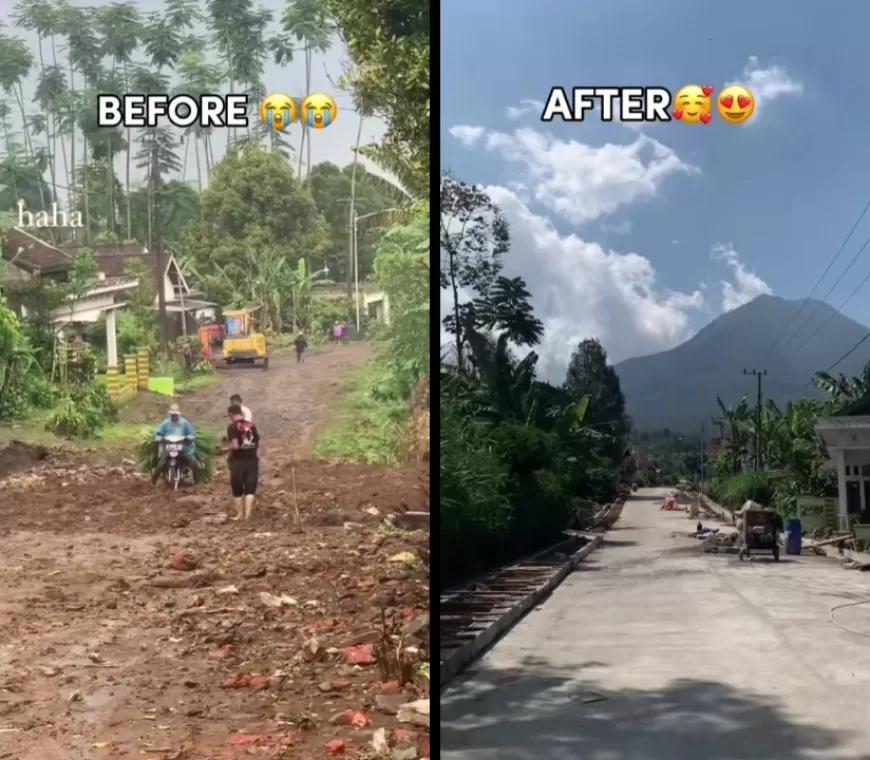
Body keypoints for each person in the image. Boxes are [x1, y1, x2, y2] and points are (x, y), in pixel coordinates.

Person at [227, 404, 260, 520]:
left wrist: (227, 447)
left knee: (237, 488)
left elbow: (235, 446)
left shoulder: (232, 427)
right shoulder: (252, 425)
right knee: (250, 488)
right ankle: (248, 515)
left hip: (238, 461)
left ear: (231, 415)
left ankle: (239, 514)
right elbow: (257, 441)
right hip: (252, 460)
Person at [152, 403, 196, 484]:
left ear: (179, 414)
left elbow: (190, 432)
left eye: (175, 414)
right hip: (169, 446)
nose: (174, 416)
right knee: (160, 463)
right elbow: (158, 431)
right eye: (172, 415)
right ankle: (153, 482)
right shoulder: (165, 423)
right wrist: (158, 436)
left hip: (181, 446)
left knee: (193, 461)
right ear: (170, 414)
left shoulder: (184, 423)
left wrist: (190, 437)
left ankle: (197, 480)